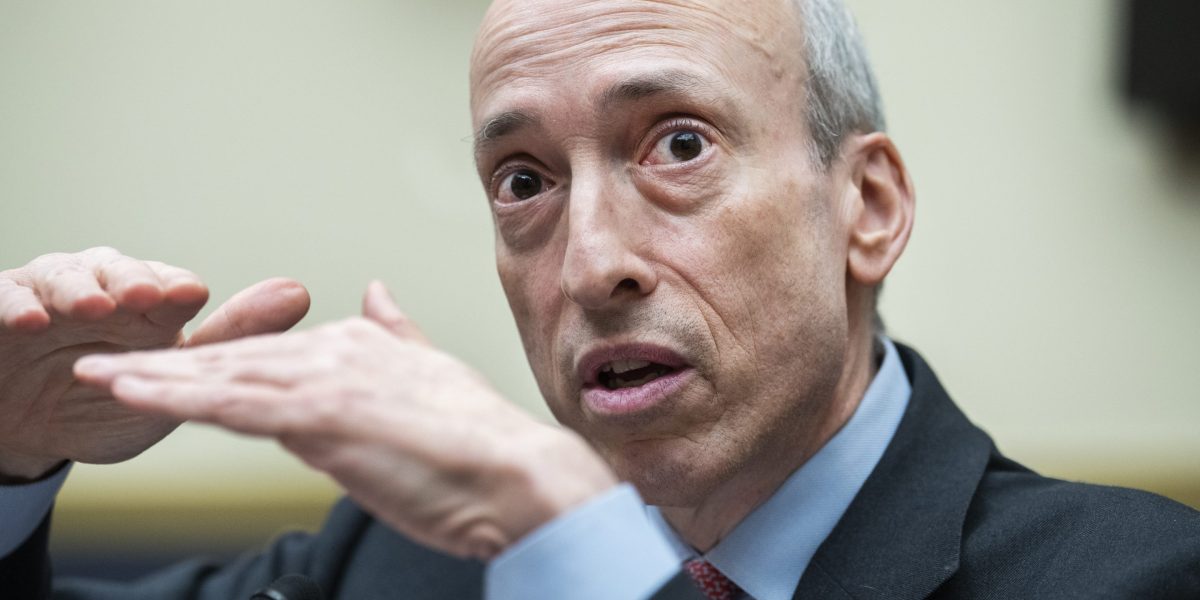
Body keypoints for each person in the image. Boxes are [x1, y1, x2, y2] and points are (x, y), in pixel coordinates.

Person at [2, 0, 1198, 598]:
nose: (589, 266)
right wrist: (10, 457)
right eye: (525, 181)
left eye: (679, 146)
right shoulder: (403, 562)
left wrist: (584, 556)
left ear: (867, 206)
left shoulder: (1136, 578)